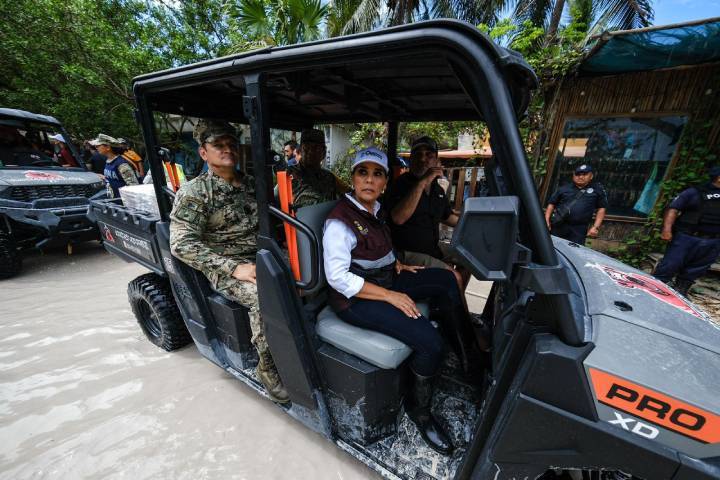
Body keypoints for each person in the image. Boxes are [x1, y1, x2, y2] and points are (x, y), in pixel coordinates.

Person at [323, 147, 477, 455]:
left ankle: (467, 357)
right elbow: (338, 278)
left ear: (384, 182)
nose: (369, 180)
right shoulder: (340, 222)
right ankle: (418, 409)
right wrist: (391, 295)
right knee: (428, 342)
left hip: (384, 279)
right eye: (362, 172)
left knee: (447, 279)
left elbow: (378, 248)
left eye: (377, 173)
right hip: (355, 301)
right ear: (352, 178)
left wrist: (395, 265)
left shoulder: (376, 210)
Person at [169, 120, 289, 404]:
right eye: (218, 146)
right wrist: (234, 268)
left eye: (231, 144)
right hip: (226, 267)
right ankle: (267, 367)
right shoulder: (195, 193)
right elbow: (181, 244)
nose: (227, 150)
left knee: (306, 278)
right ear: (203, 153)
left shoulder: (250, 183)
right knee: (265, 298)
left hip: (261, 257)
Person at [387, 136, 466, 291]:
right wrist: (422, 182)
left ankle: (447, 301)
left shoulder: (437, 189)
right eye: (417, 154)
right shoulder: (400, 184)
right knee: (455, 276)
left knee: (471, 259)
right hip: (407, 252)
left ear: (436, 160)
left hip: (432, 248)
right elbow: (398, 218)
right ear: (410, 159)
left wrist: (474, 223)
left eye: (429, 155)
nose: (423, 159)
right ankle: (458, 314)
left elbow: (447, 217)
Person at [653, 166, 720, 295]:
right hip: (687, 237)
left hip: (713, 241)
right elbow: (673, 209)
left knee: (696, 269)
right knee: (670, 265)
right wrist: (667, 230)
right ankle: (654, 289)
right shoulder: (694, 192)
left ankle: (680, 292)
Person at [545, 164, 607, 245]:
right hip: (559, 225)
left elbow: (601, 209)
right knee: (553, 248)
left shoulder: (597, 191)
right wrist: (546, 221)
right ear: (573, 175)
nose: (581, 177)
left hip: (579, 229)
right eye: (578, 174)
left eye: (584, 174)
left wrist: (595, 227)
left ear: (591, 176)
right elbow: (551, 204)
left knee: (574, 251)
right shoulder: (563, 189)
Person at [287, 129, 344, 209]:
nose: (310, 152)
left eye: (315, 148)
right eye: (306, 148)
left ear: (324, 152)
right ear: (300, 151)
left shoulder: (329, 177)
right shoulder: (290, 174)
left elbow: (344, 196)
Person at [90, 134, 138, 198]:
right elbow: (115, 178)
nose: (96, 148)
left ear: (108, 147)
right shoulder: (108, 161)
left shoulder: (121, 164)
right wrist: (104, 177)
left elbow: (133, 186)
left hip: (122, 202)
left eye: (98, 146)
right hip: (113, 199)